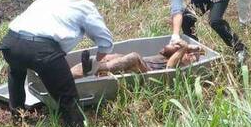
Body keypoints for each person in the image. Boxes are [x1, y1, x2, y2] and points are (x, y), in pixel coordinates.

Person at [0, 0, 113, 127]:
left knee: (16, 73)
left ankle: (18, 119)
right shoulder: (83, 4)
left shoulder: (44, 0)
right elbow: (105, 42)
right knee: (67, 95)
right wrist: (96, 63)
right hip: (41, 50)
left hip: (10, 43)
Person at [71, 40, 204, 78]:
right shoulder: (170, 55)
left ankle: (97, 68)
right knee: (112, 56)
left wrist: (183, 49)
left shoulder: (180, 67)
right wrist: (187, 47)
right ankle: (68, 74)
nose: (190, 55)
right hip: (143, 64)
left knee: (134, 57)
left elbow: (169, 69)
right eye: (190, 53)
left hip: (148, 73)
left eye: (193, 57)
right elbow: (164, 49)